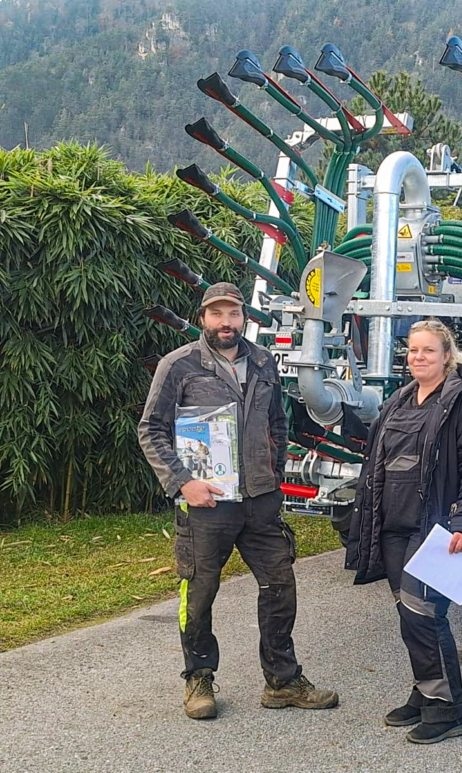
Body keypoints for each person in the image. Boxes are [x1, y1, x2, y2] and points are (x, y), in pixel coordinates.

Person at [138, 282, 338, 720]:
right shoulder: (179, 365)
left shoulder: (264, 361)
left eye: (232, 314)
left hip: (261, 501)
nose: (225, 322)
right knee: (200, 591)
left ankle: (282, 681)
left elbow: (278, 423)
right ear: (203, 317)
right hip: (207, 505)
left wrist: (274, 474)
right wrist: (182, 482)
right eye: (216, 314)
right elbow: (151, 429)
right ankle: (198, 678)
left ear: (243, 316)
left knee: (280, 586)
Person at [347, 318, 462, 744]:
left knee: (424, 615)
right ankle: (424, 690)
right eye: (413, 350)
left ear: (447, 356)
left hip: (436, 527)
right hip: (393, 525)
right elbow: (375, 460)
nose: (418, 357)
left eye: (428, 350)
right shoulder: (399, 400)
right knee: (408, 616)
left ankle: (447, 709)